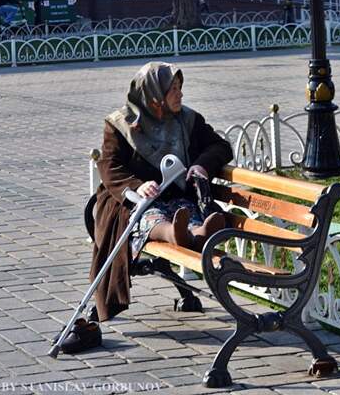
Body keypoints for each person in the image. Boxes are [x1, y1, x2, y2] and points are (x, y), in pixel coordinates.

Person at [90, 62, 233, 321]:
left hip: (177, 197)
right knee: (152, 217)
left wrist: (201, 164)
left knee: (185, 212)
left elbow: (221, 147)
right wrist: (136, 185)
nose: (180, 94)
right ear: (155, 96)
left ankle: (197, 233)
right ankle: (175, 233)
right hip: (136, 202)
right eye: (173, 89)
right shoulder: (120, 125)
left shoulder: (188, 120)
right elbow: (109, 166)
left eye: (180, 88)